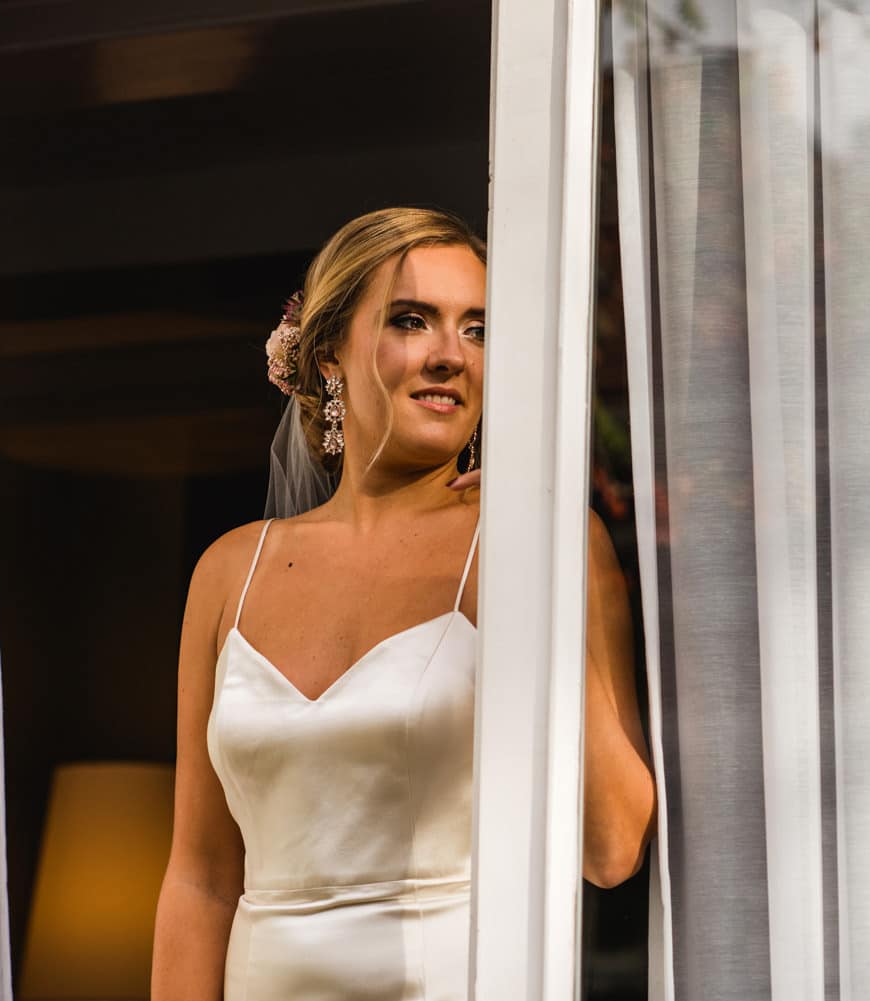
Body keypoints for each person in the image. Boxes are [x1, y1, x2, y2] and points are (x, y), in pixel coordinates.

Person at [151, 207, 656, 999]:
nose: (451, 356)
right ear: (329, 357)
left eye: (480, 329)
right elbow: (202, 878)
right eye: (412, 320)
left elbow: (613, 846)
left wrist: (538, 565)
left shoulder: (547, 541)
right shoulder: (228, 570)